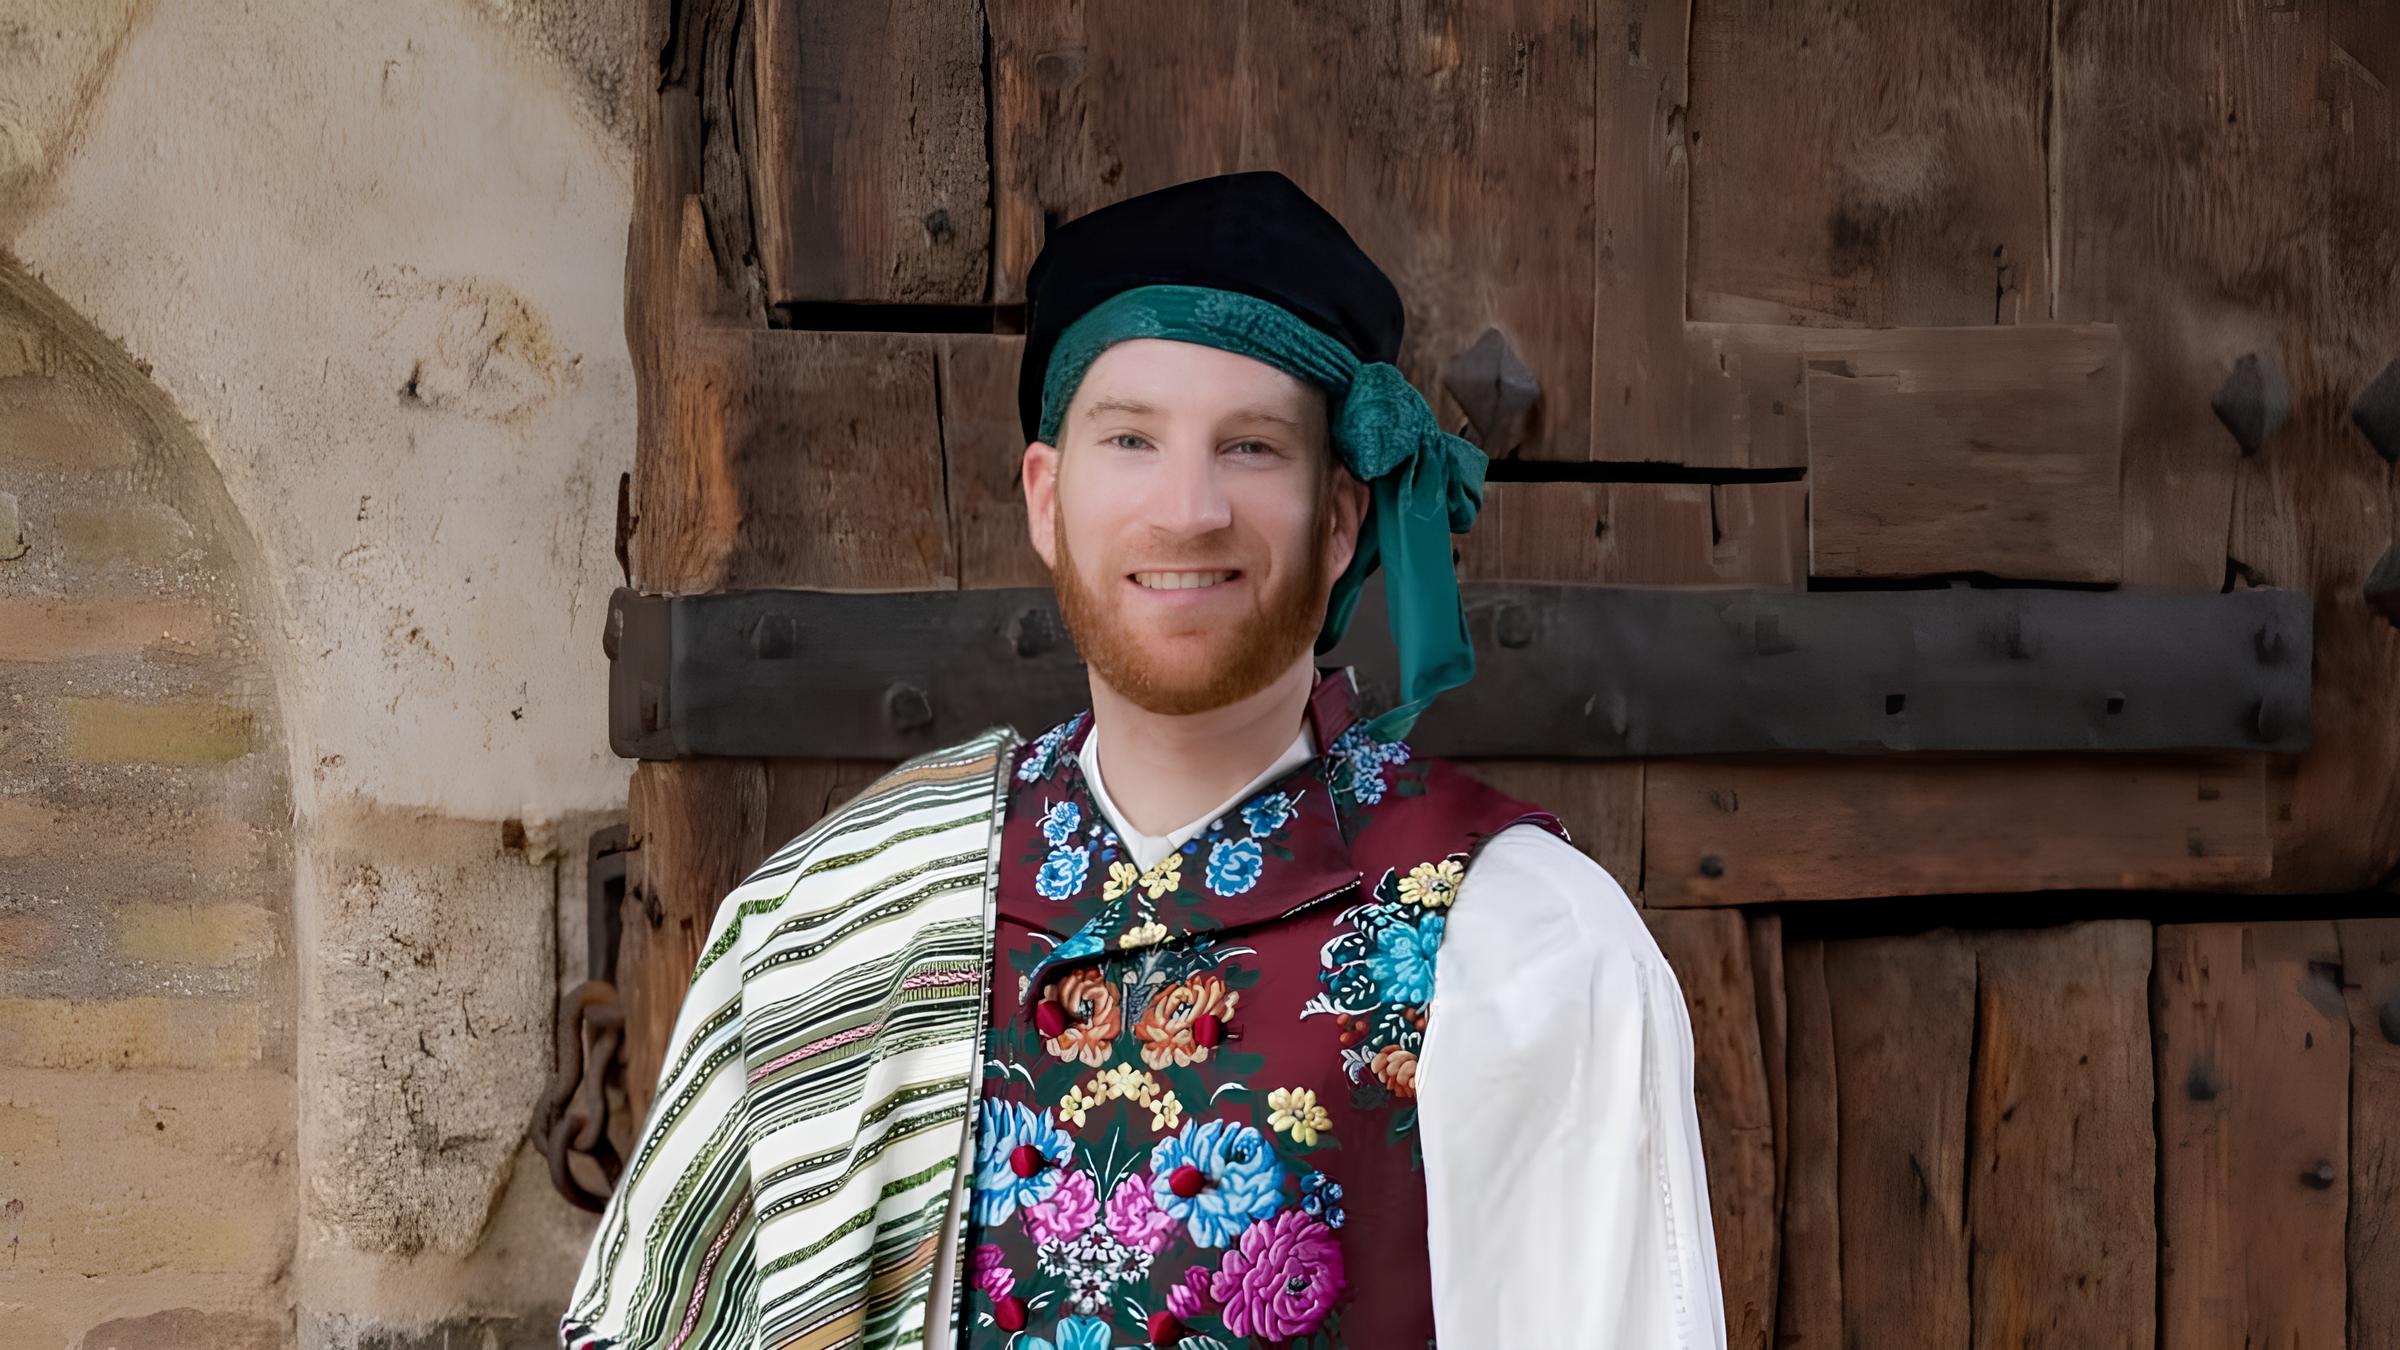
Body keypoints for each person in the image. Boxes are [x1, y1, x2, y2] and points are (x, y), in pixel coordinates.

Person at [563, 170, 1726, 1350]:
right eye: (1130, 439)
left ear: (1339, 520)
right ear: (1046, 497)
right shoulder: (844, 915)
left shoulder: (1528, 942)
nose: (1187, 510)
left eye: (1250, 447)